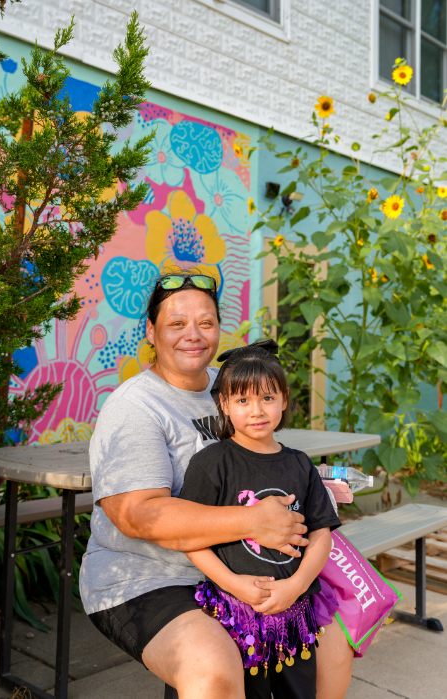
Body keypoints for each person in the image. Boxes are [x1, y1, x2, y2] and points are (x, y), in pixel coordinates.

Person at [79, 272, 354, 699]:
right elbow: (136, 515)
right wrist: (253, 521)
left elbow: (261, 461)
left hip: (248, 567)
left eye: (206, 323)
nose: (194, 334)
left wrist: (304, 487)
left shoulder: (231, 385)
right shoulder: (135, 407)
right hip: (149, 578)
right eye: (177, 324)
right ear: (151, 332)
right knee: (213, 670)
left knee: (334, 644)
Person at [179, 342, 340, 699]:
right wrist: (234, 584)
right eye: (242, 401)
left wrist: (296, 586)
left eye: (267, 398)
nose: (257, 411)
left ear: (284, 400)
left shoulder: (300, 465)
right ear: (223, 404)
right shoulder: (210, 465)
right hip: (234, 617)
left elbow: (321, 536)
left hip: (295, 618)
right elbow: (191, 539)